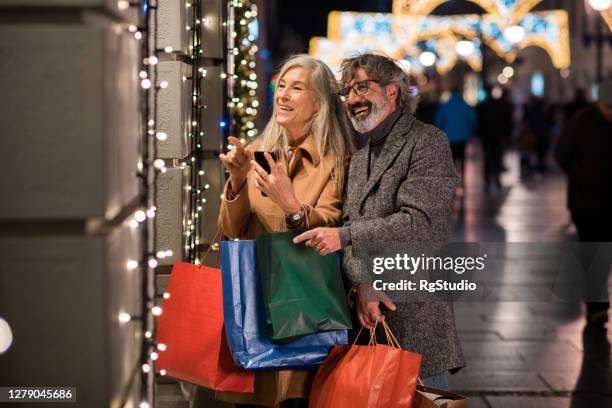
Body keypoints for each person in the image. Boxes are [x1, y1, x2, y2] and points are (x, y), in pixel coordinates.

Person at [294, 53, 465, 389]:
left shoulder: (428, 142)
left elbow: (419, 224)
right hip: (367, 322)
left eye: (362, 88)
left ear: (392, 92)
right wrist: (362, 284)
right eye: (347, 92)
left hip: (416, 322)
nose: (353, 99)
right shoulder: (359, 160)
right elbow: (352, 224)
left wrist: (344, 236)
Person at [216, 54, 351, 407]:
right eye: (281, 86)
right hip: (254, 300)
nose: (284, 95)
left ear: (319, 103)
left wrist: (291, 205)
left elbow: (331, 224)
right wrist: (237, 179)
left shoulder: (337, 160)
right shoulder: (258, 151)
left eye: (297, 88)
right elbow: (231, 230)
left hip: (302, 302)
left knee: (294, 396)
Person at [555, 80, 612, 327]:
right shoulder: (581, 121)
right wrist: (580, 177)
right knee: (594, 254)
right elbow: (561, 154)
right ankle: (597, 306)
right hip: (586, 203)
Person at [434, 82, 477, 185]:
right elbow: (472, 120)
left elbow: (439, 120)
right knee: (462, 158)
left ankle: (452, 180)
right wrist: (471, 131)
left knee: (451, 160)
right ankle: (462, 179)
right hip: (463, 137)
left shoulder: (445, 106)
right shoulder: (466, 106)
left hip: (449, 137)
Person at [477, 87, 513, 193]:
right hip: (498, 136)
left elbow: (479, 122)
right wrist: (507, 135)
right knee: (497, 158)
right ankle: (497, 180)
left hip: (486, 136)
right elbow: (508, 122)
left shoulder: (483, 106)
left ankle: (488, 181)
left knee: (487, 159)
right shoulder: (502, 106)